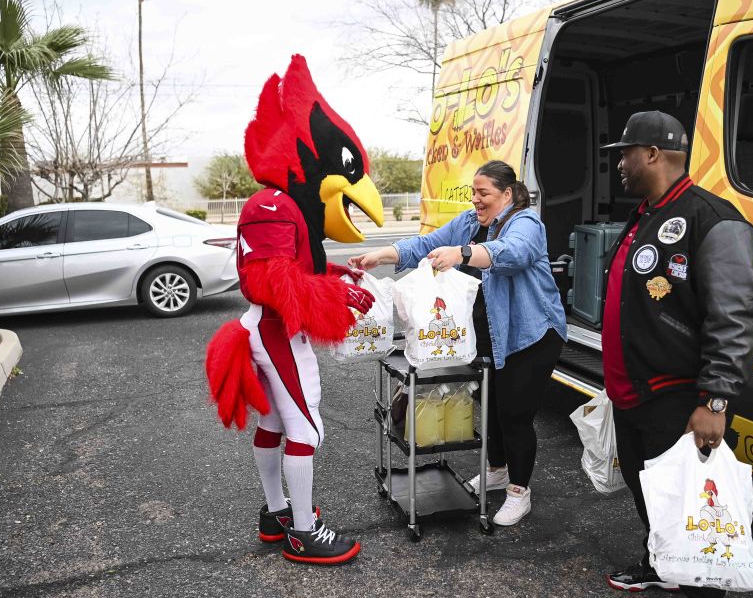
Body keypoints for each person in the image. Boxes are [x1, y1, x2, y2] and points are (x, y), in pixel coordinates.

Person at [205, 55, 383, 565]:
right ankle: (303, 531)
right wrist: (334, 296)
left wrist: (334, 280)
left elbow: (293, 270)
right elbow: (267, 280)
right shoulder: (272, 204)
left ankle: (277, 512)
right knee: (306, 428)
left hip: (274, 329)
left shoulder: (283, 206)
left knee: (281, 424)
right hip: (276, 332)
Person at [598, 111, 753, 598]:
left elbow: (734, 317)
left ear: (651, 154)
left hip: (680, 393)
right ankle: (661, 561)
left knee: (689, 502)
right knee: (650, 490)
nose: (618, 164)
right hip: (634, 391)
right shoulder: (647, 213)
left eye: (624, 153)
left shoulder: (712, 218)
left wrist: (715, 398)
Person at [350, 160, 567, 527]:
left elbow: (511, 254)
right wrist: (381, 255)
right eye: (473, 193)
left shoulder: (526, 223)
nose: (476, 201)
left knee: (514, 413)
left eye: (483, 194)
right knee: (492, 407)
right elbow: (427, 244)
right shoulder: (470, 222)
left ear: (508, 194)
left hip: (531, 334)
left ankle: (519, 491)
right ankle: (497, 471)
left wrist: (462, 254)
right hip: (489, 336)